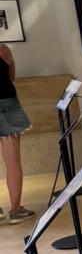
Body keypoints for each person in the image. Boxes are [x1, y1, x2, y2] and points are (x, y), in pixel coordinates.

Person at [0, 43, 35, 224]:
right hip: (6, 104)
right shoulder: (3, 49)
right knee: (13, 162)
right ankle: (15, 211)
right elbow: (11, 77)